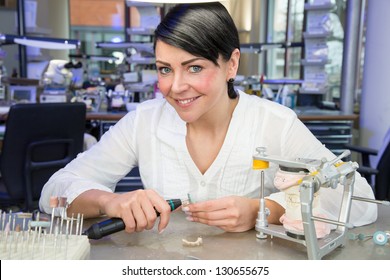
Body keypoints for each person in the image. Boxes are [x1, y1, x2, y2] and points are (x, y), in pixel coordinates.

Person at [39, 2, 377, 235]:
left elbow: (360, 200)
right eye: (164, 69)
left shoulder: (275, 123)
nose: (175, 87)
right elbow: (53, 192)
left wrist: (265, 210)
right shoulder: (144, 121)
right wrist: (110, 201)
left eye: (194, 67)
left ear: (231, 64)